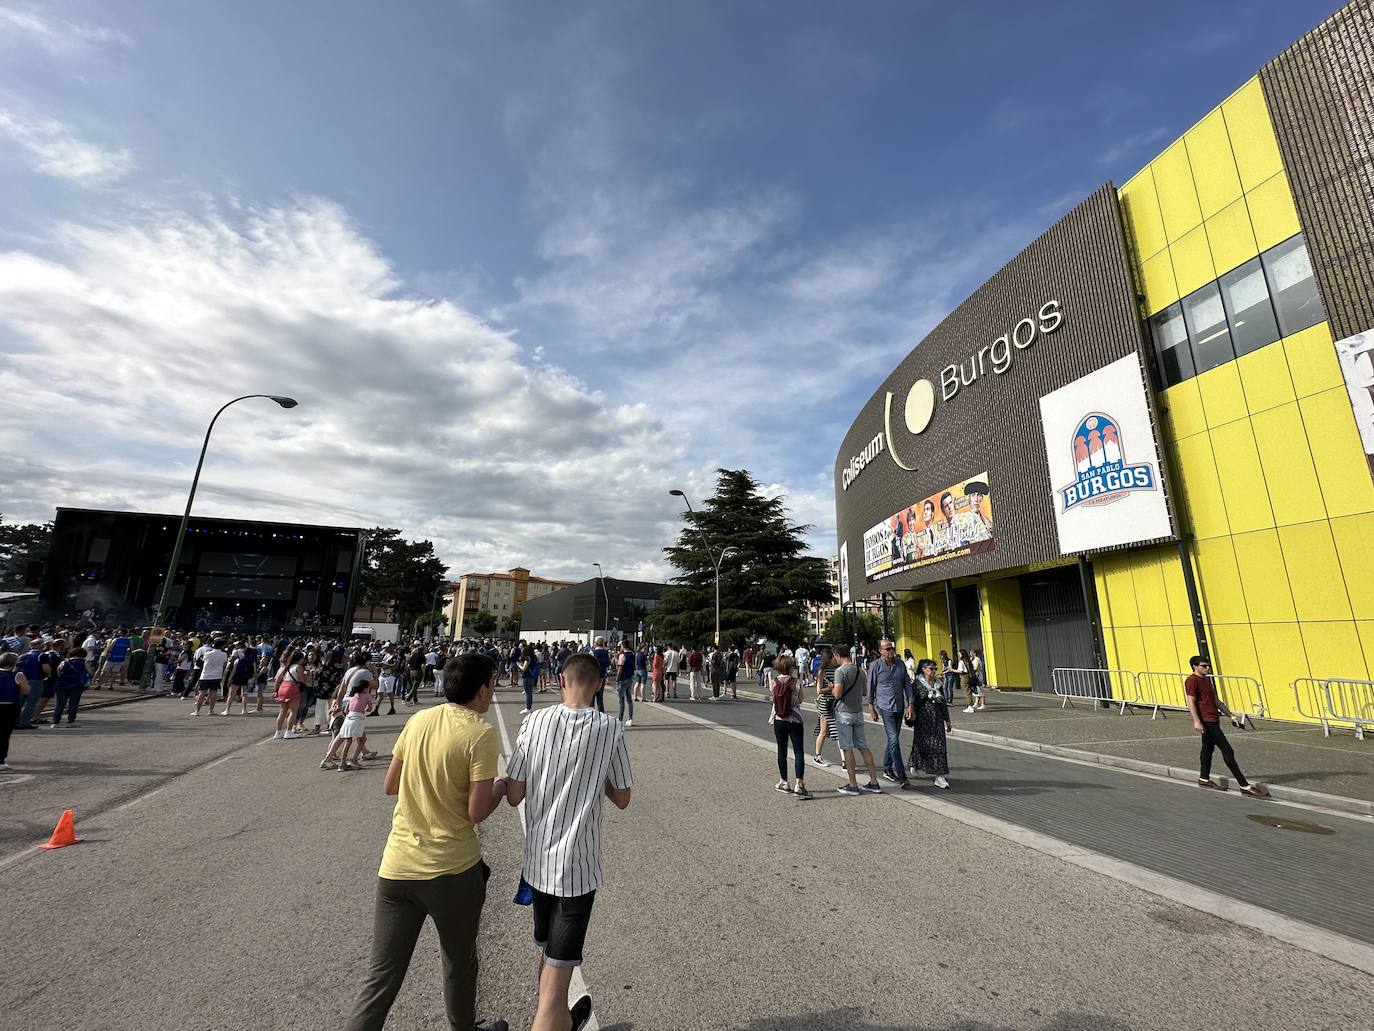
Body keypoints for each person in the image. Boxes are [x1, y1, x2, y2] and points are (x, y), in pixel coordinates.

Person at [341, 653, 509, 1031]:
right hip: (450, 870)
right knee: (458, 962)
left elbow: (391, 785)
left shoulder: (419, 720)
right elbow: (477, 811)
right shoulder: (479, 733)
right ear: (482, 690)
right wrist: (501, 784)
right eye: (492, 684)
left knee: (381, 975)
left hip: (397, 867)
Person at [501, 653, 631, 1031]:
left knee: (549, 953)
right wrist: (597, 778)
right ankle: (551, 1020)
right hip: (577, 867)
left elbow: (513, 795)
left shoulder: (534, 722)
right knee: (560, 971)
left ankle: (560, 1022)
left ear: (561, 679)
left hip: (537, 863)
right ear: (599, 683)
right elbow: (622, 798)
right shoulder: (610, 728)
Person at [1186, 656, 1269, 798]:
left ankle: (1204, 779)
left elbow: (1215, 700)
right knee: (1227, 750)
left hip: (1213, 718)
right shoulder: (1192, 680)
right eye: (1204, 666)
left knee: (1207, 749)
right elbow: (1191, 701)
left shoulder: (1206, 680)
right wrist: (1197, 721)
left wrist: (1231, 716)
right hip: (1206, 721)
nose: (1208, 668)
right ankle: (1244, 786)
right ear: (1195, 666)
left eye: (1208, 666)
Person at [831, 645, 881, 796]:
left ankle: (853, 784)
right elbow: (865, 691)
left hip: (844, 712)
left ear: (839, 655)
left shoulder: (840, 671)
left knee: (847, 748)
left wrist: (833, 688)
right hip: (858, 711)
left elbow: (838, 694)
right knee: (863, 746)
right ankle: (874, 782)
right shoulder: (859, 670)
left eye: (835, 656)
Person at [868, 639, 915, 790]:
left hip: (899, 706)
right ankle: (902, 776)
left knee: (892, 738)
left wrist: (911, 704)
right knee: (894, 739)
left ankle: (887, 767)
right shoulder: (875, 666)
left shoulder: (900, 664)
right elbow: (871, 687)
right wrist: (871, 707)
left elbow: (907, 684)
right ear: (880, 651)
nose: (890, 651)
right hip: (885, 706)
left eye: (891, 648)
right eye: (887, 649)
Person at [769, 655, 810, 799]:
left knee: (782, 751)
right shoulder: (796, 682)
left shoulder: (773, 682)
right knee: (799, 751)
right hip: (795, 720)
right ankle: (799, 783)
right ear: (790, 667)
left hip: (779, 719)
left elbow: (773, 698)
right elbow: (801, 699)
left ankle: (784, 782)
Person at [909, 658, 953, 788]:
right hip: (923, 718)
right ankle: (915, 763)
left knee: (939, 746)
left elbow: (943, 703)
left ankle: (939, 775)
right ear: (923, 669)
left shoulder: (939, 683)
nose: (933, 671)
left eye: (935, 669)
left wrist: (947, 720)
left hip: (937, 719)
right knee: (921, 743)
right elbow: (913, 701)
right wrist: (926, 695)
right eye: (931, 668)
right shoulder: (917, 683)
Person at [0, 651, 32, 771]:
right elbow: (26, 691)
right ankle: (0, 760)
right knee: (4, 734)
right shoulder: (18, 675)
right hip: (8, 706)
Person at [812, 646, 839, 767]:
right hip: (825, 703)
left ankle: (844, 761)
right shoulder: (823, 670)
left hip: (834, 703)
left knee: (826, 731)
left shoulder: (836, 669)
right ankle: (817, 756)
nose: (835, 659)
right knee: (824, 731)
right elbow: (819, 690)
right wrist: (830, 688)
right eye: (833, 657)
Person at [50, 647, 90, 727]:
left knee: (60, 703)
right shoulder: (84, 662)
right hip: (76, 684)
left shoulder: (64, 661)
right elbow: (89, 672)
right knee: (73, 703)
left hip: (62, 684)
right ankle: (71, 721)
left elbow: (58, 671)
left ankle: (55, 721)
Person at [192, 638, 228, 717]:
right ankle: (211, 710)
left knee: (202, 693)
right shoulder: (224, 654)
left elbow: (203, 661)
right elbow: (224, 665)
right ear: (221, 646)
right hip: (217, 675)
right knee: (213, 693)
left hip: (205, 675)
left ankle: (197, 711)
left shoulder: (207, 654)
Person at [615, 641, 635, 727]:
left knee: (621, 700)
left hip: (623, 679)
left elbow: (620, 668)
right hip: (630, 677)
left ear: (623, 646)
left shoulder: (622, 655)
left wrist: (617, 679)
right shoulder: (633, 654)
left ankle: (620, 718)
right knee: (629, 699)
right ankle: (630, 718)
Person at [590, 636, 611, 713]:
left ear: (596, 643)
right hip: (602, 676)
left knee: (591, 697)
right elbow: (608, 663)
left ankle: (591, 714)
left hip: (593, 677)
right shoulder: (606, 652)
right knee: (600, 698)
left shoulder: (592, 652)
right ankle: (601, 714)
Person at [957, 648, 976, 713]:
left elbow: (960, 670)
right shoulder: (968, 660)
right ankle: (970, 706)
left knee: (966, 691)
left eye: (959, 653)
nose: (958, 654)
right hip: (969, 676)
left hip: (964, 676)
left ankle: (970, 706)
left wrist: (952, 670)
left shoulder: (961, 661)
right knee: (969, 691)